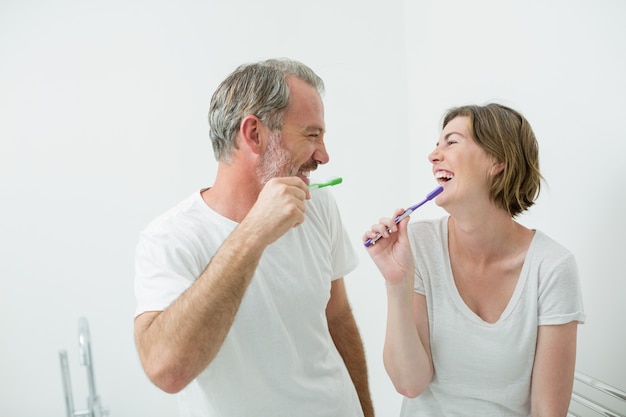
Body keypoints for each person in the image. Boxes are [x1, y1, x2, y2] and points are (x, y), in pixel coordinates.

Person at [134, 58, 374, 417]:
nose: (323, 155)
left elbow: (337, 318)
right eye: (311, 135)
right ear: (254, 134)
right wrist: (253, 234)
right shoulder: (170, 238)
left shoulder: (318, 205)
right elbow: (166, 371)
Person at [363, 103, 585, 417]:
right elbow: (410, 384)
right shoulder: (420, 244)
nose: (434, 155)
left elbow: (547, 411)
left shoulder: (551, 267)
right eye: (437, 144)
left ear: (498, 161)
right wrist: (396, 282)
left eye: (451, 142)